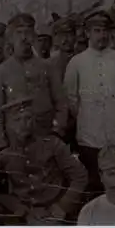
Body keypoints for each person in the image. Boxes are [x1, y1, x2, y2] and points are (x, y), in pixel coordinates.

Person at [0, 96, 88, 226]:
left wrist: (63, 206)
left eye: (28, 118)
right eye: (17, 120)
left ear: (34, 121)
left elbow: (80, 176)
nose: (23, 124)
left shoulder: (53, 145)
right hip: (21, 211)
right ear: (8, 125)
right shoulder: (6, 154)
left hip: (49, 211)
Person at [64, 10, 115, 202]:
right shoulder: (76, 63)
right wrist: (88, 117)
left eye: (105, 31)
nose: (102, 35)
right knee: (95, 184)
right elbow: (71, 99)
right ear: (87, 33)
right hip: (90, 135)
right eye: (96, 30)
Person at [0, 13, 68, 152]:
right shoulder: (2, 71)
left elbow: (61, 102)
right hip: (15, 142)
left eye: (28, 32)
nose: (24, 38)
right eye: (19, 33)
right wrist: (0, 144)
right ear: (11, 39)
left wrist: (57, 129)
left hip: (46, 136)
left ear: (33, 36)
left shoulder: (47, 67)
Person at [48, 16, 79, 153]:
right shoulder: (50, 64)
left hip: (82, 119)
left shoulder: (83, 59)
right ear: (55, 39)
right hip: (60, 122)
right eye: (61, 35)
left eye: (69, 34)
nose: (66, 40)